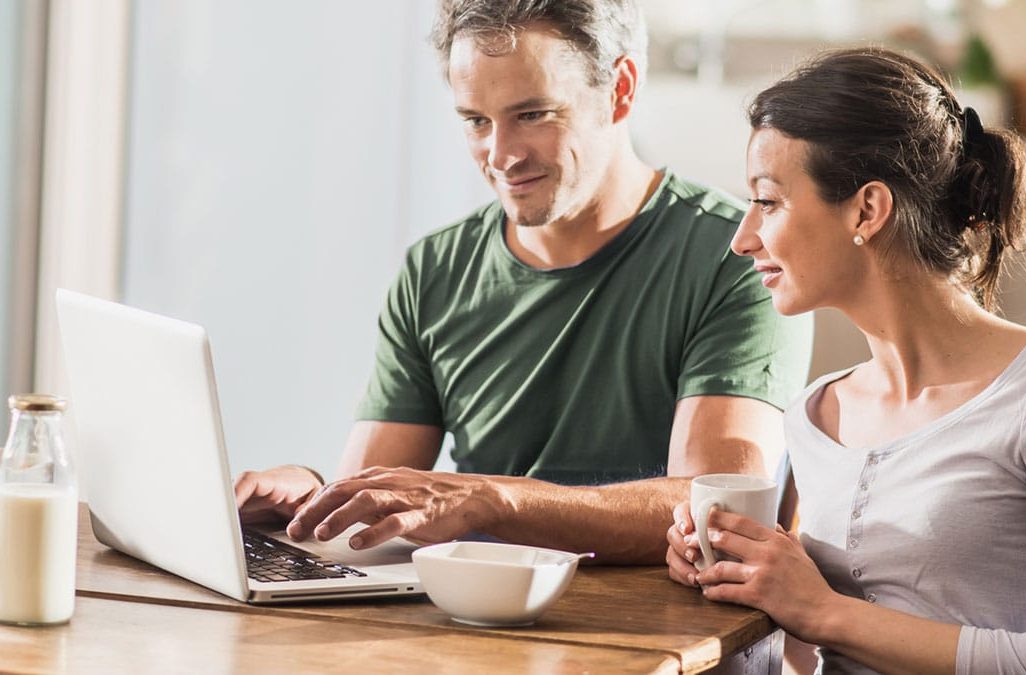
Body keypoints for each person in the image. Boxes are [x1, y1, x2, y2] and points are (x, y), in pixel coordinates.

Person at [233, 0, 812, 564]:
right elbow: (380, 498)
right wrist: (310, 497)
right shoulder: (435, 270)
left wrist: (487, 502)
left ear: (621, 89)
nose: (502, 155)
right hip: (470, 628)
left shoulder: (737, 256)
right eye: (476, 121)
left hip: (655, 640)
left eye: (532, 114)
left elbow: (719, 511)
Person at [665, 46, 1026, 673]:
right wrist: (737, 577)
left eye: (769, 201)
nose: (742, 237)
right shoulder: (817, 414)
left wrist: (820, 610)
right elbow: (803, 656)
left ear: (867, 209)